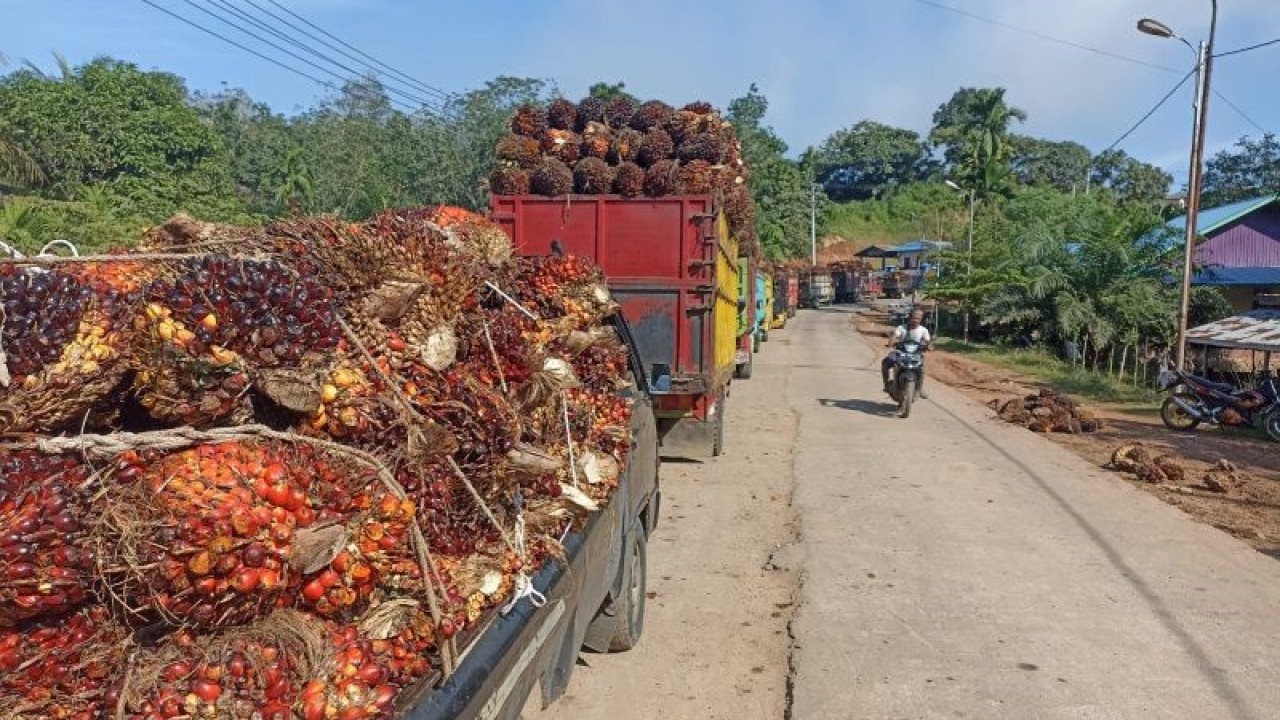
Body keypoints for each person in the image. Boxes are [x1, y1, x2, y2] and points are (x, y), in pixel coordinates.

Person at [882, 308, 934, 398]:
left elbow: (928, 340)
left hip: (915, 354)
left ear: (921, 319)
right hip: (900, 352)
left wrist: (929, 346)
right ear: (910, 317)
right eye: (914, 318)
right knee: (885, 363)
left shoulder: (923, 330)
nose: (916, 320)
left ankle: (919, 389)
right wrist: (891, 341)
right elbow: (895, 335)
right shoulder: (902, 328)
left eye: (918, 318)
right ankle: (886, 384)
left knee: (921, 369)